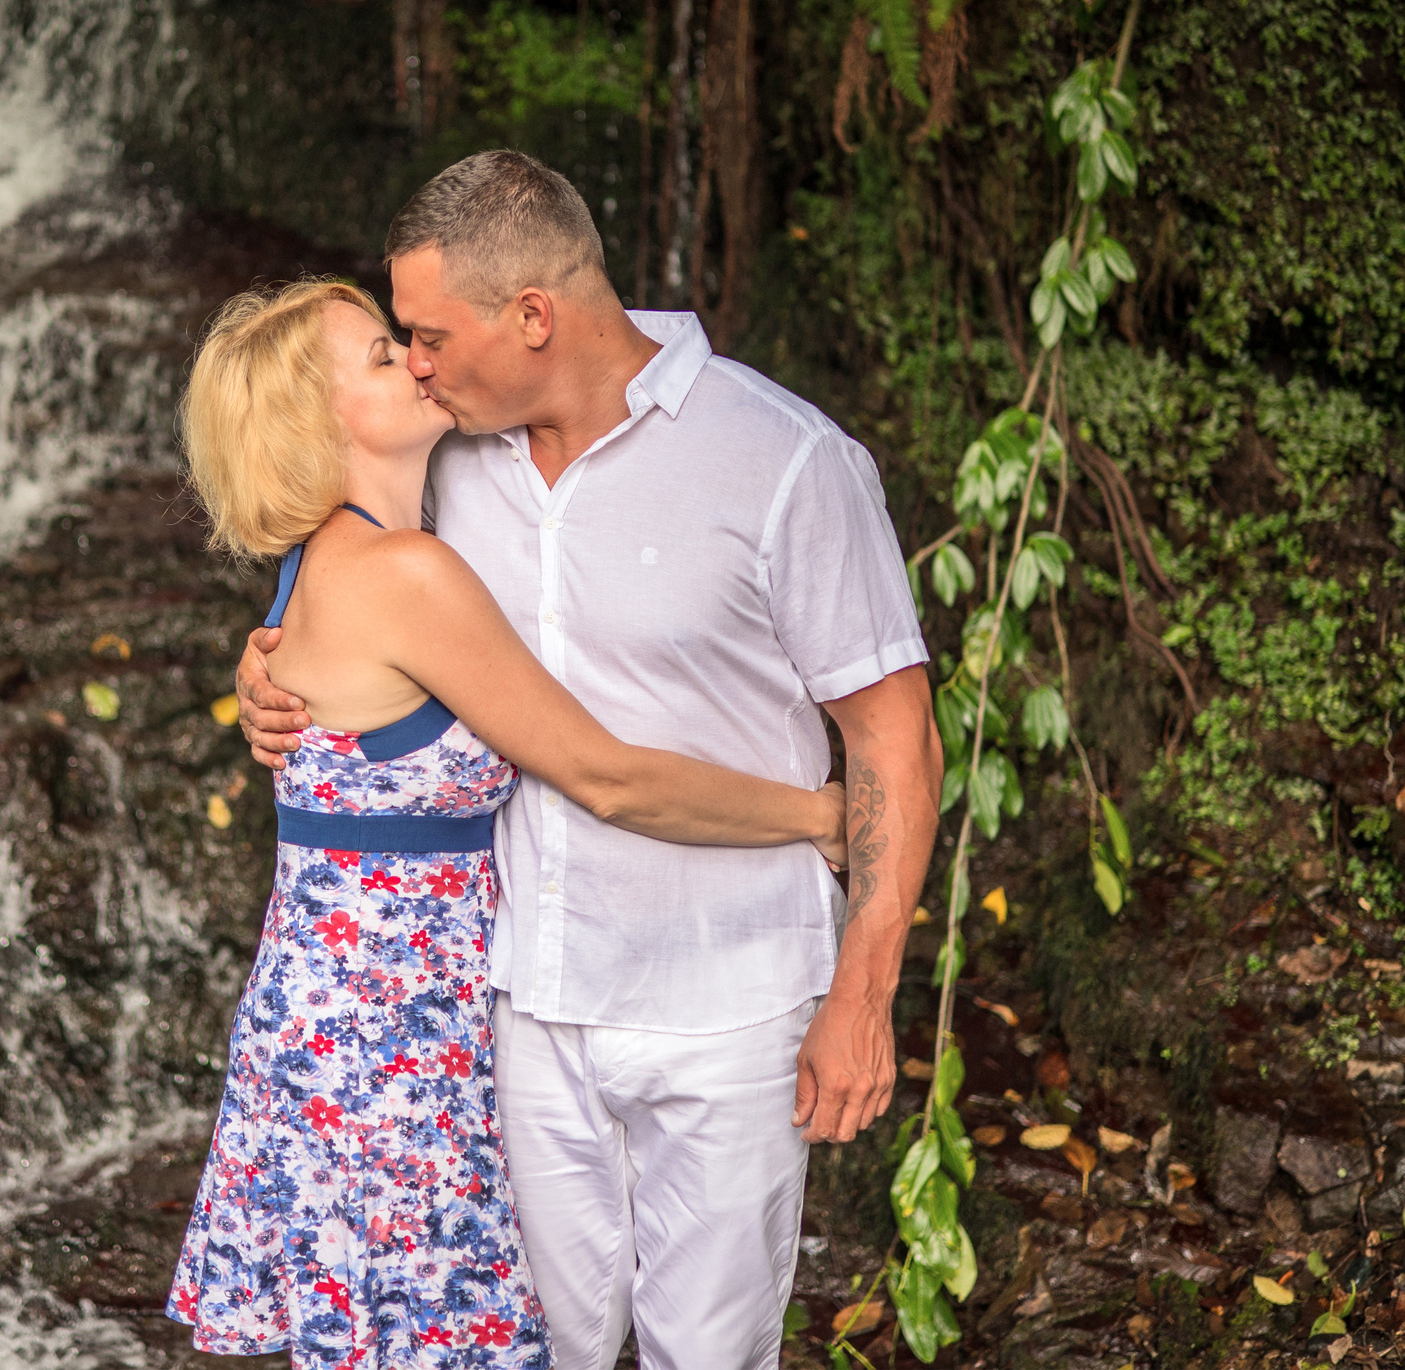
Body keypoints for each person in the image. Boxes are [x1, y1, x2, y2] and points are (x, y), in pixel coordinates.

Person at [233, 152, 941, 1370]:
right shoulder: (450, 463)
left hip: (727, 1007)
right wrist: (264, 675)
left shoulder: (782, 459)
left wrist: (864, 993)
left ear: (532, 317)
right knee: (524, 1351)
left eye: (429, 337)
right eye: (399, 345)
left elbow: (893, 733)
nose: (417, 365)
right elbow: (340, 571)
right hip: (517, 1004)